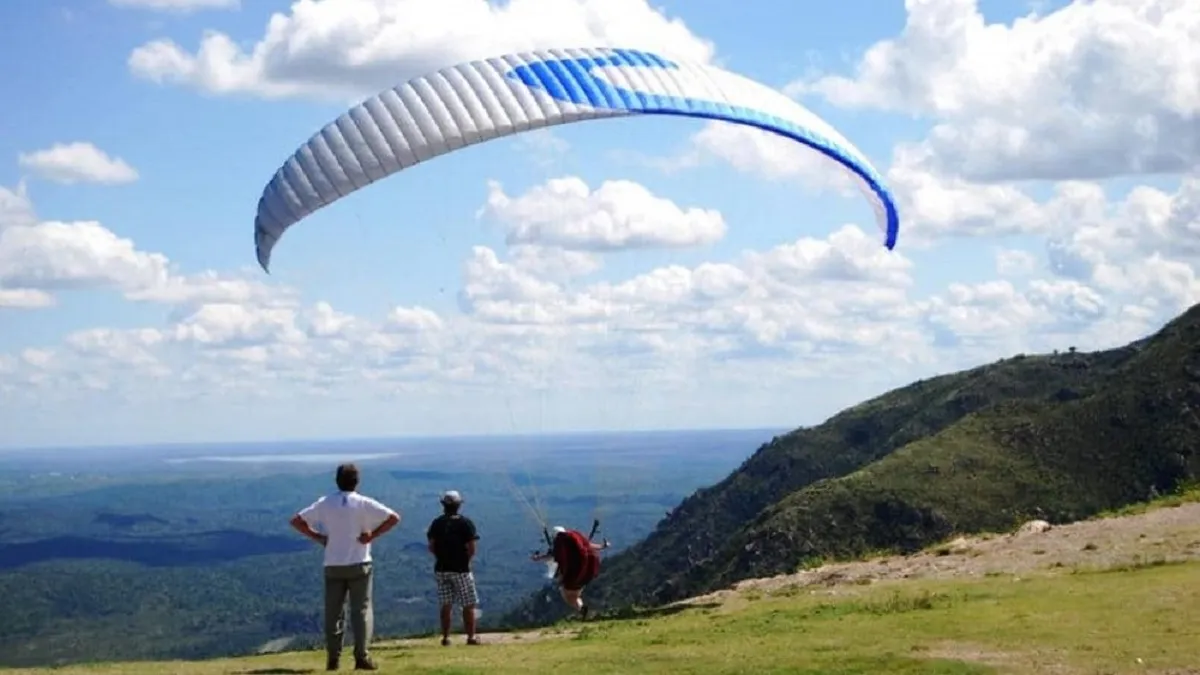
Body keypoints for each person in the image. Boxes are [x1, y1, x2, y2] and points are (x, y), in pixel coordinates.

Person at [290, 463, 400, 672]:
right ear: (357, 482)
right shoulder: (364, 503)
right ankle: (361, 657)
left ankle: (333, 659)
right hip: (360, 563)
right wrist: (371, 536)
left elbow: (297, 521)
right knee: (361, 612)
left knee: (333, 613)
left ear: (337, 481)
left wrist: (318, 537)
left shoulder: (325, 503)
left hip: (333, 563)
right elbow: (393, 518)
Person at [426, 490, 482, 646]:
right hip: (461, 569)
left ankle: (446, 638)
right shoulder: (465, 523)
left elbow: (431, 546)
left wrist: (441, 557)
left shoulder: (437, 523)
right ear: (459, 505)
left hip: (441, 569)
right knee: (468, 603)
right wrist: (465, 561)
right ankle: (470, 637)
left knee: (446, 604)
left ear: (443, 505)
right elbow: (471, 548)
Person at [531, 525, 610, 619]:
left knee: (566, 595)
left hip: (574, 575)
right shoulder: (574, 542)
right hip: (587, 573)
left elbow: (551, 555)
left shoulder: (560, 544)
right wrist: (602, 546)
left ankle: (581, 609)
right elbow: (588, 545)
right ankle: (583, 610)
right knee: (574, 595)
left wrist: (537, 558)